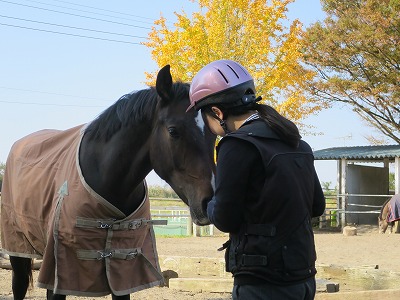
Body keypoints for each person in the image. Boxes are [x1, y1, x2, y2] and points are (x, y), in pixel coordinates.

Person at [186, 59, 326, 300]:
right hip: (303, 277)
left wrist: (207, 206)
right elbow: (317, 206)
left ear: (217, 112)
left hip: (262, 281)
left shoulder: (236, 145)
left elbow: (226, 219)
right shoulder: (297, 142)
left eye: (204, 118)